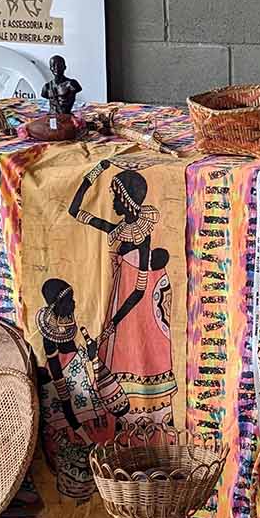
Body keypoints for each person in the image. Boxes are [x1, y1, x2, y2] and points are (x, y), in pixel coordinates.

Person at [68, 162, 175, 403]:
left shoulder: (140, 236)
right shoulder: (119, 229)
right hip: (120, 297)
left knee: (128, 362)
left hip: (134, 308)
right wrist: (96, 170)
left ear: (126, 200)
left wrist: (114, 322)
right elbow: (74, 210)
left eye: (116, 197)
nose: (113, 203)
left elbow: (139, 289)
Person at [35, 278, 126, 500]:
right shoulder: (50, 337)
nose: (74, 303)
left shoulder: (68, 323)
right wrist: (81, 432)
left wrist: (92, 353)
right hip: (68, 399)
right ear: (59, 304)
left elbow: (77, 358)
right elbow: (62, 385)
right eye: (70, 299)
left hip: (82, 392)